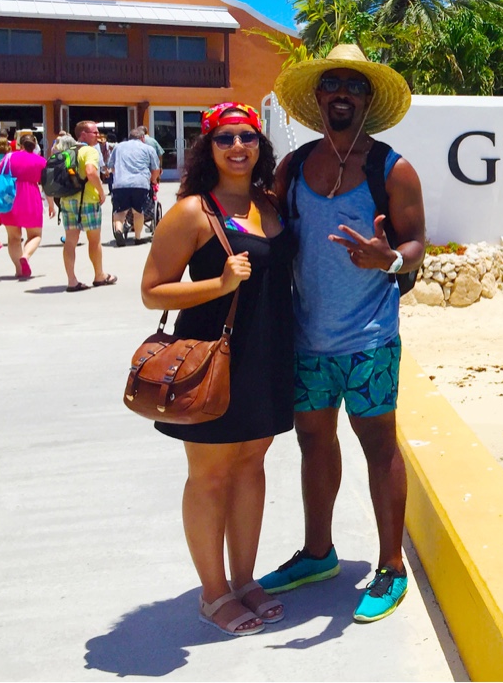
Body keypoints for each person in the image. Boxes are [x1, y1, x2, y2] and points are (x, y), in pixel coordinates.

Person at [258, 44, 424, 624]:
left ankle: (391, 567)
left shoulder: (392, 168)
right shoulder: (295, 166)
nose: (342, 93)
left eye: (353, 85)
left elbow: (416, 247)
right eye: (332, 84)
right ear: (320, 98)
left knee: (379, 446)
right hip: (308, 339)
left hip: (371, 337)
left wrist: (389, 261)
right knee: (313, 444)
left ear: (367, 99)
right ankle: (318, 552)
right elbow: (269, 223)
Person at [139, 102, 295, 637]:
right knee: (209, 476)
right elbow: (152, 290)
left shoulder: (269, 203)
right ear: (208, 147)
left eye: (247, 137)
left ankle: (245, 578)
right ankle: (212, 593)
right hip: (211, 358)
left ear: (260, 145)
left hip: (269, 354)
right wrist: (219, 284)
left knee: (252, 466)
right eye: (225, 138)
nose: (237, 147)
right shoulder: (191, 211)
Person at [60, 121, 116, 291]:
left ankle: (72, 280)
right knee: (94, 240)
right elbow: (91, 172)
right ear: (83, 134)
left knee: (70, 241)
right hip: (88, 200)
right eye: (94, 132)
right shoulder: (89, 151)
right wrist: (101, 191)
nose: (98, 136)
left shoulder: (66, 151)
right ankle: (99, 275)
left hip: (68, 199)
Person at [0, 131, 55, 279]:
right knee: (35, 235)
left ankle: (18, 269)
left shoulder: (8, 157)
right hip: (31, 198)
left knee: (13, 237)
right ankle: (26, 255)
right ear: (35, 145)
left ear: (20, 144)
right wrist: (51, 205)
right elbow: (47, 185)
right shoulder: (41, 161)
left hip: (9, 197)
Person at [109, 127, 161, 246]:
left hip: (120, 184)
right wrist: (152, 180)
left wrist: (118, 176)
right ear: (143, 138)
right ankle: (137, 238)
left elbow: (111, 167)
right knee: (138, 212)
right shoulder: (148, 148)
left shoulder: (118, 147)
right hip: (140, 183)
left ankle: (118, 229)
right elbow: (156, 169)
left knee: (120, 212)